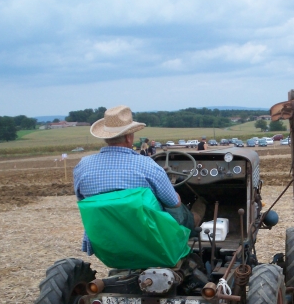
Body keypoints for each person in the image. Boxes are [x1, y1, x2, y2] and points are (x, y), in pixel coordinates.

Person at [74, 105, 204, 255]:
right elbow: (173, 203)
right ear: (129, 137)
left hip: (106, 239)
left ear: (106, 137)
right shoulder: (147, 165)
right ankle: (197, 224)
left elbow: (83, 201)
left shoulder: (82, 166)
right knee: (184, 209)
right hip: (151, 239)